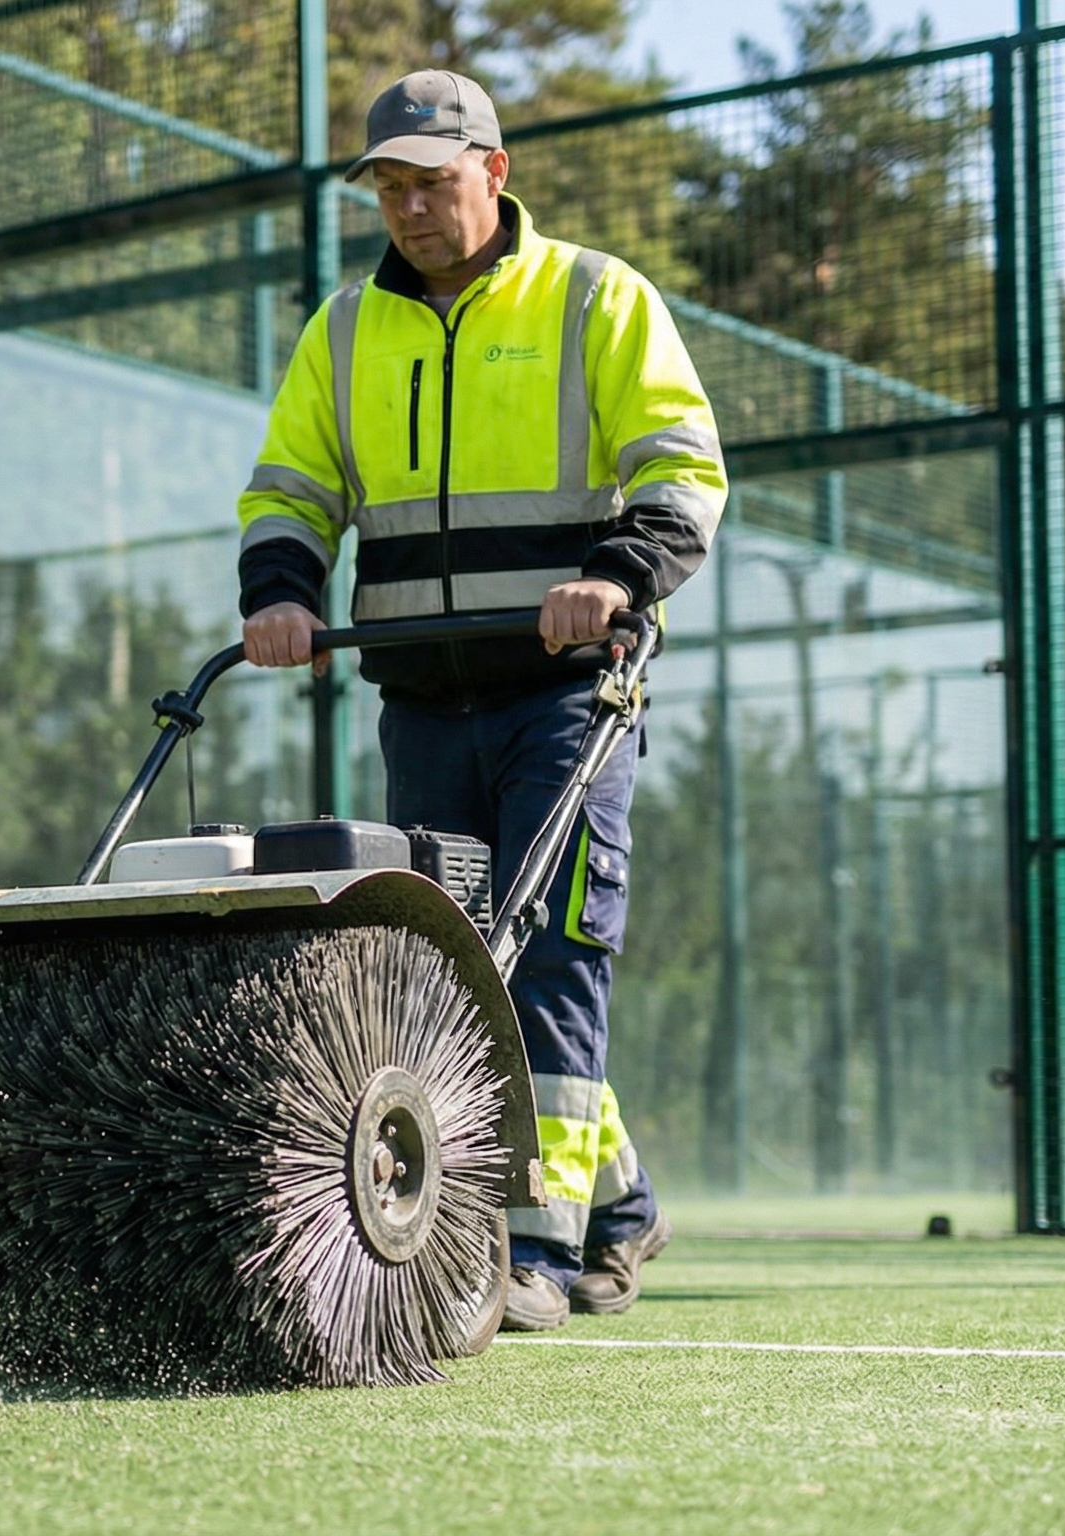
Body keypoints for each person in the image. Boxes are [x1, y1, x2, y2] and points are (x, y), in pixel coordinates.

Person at [236, 69, 725, 1330]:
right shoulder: (346, 329)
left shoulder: (594, 298)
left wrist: (612, 577)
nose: (409, 207)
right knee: (458, 970)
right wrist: (282, 592)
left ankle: (539, 1254)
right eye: (388, 188)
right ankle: (620, 1202)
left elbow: (680, 468)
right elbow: (290, 486)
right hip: (421, 698)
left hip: (565, 695)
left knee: (552, 948)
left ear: (493, 173)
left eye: (432, 182)